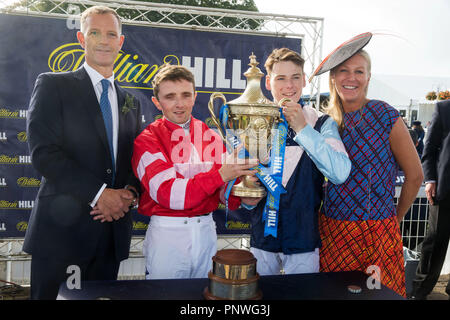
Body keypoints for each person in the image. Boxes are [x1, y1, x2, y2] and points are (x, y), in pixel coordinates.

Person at [24, 6, 142, 299]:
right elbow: (44, 154)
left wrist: (129, 192)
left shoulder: (132, 102)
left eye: (111, 34)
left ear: (121, 42)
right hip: (61, 237)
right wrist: (101, 194)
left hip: (110, 233)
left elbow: (135, 159)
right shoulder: (53, 85)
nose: (104, 41)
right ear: (81, 38)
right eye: (95, 33)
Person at [131, 64, 258, 279]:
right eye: (170, 96)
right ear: (156, 102)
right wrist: (221, 175)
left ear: (195, 97)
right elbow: (169, 194)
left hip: (207, 231)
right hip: (168, 235)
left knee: (202, 299)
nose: (179, 104)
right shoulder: (147, 140)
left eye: (186, 95)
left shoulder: (211, 135)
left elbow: (222, 193)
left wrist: (244, 194)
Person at [317, 44, 423, 297]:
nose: (351, 77)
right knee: (334, 294)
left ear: (368, 77)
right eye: (343, 70)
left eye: (359, 71)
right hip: (333, 232)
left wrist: (394, 219)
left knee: (378, 296)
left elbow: (415, 175)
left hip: (377, 233)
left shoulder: (384, 114)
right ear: (333, 77)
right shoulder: (324, 121)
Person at [243, 48, 351, 275]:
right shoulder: (255, 122)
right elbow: (244, 184)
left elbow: (340, 172)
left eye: (295, 77)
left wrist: (302, 127)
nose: (289, 86)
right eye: (281, 78)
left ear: (304, 80)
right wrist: (246, 194)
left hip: (304, 238)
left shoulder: (322, 122)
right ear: (269, 83)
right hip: (262, 237)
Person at [412, 100, 450, 299]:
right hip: (444, 191)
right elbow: (430, 148)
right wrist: (431, 180)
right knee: (435, 242)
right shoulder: (444, 109)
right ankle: (420, 291)